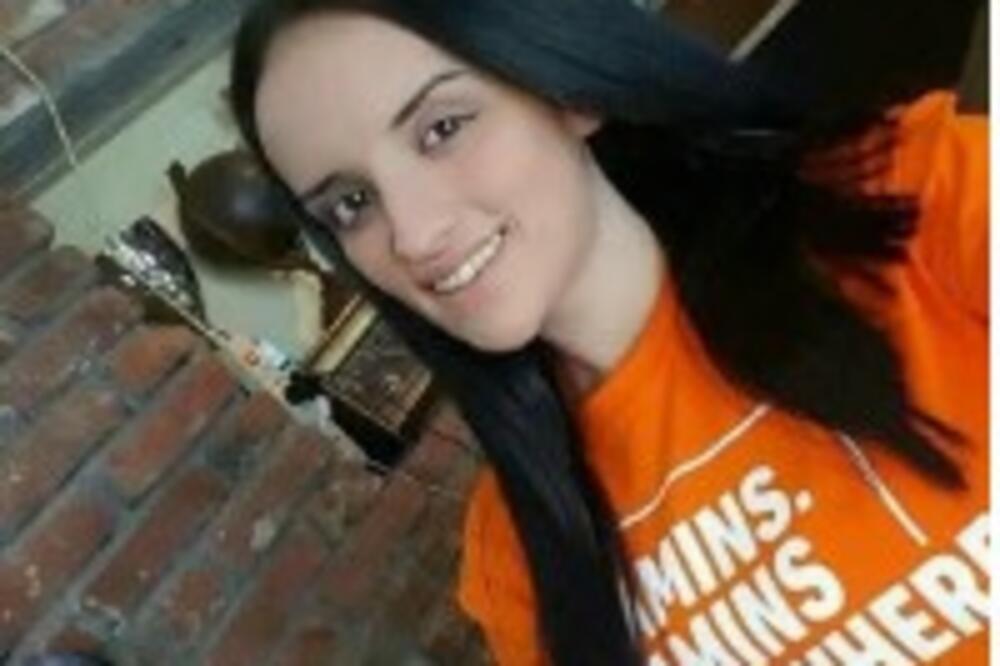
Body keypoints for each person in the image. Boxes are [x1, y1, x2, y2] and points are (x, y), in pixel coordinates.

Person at [229, 1, 988, 664]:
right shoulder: (516, 558)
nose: (414, 234)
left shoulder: (904, 203)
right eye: (351, 204)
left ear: (564, 89)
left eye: (442, 129)